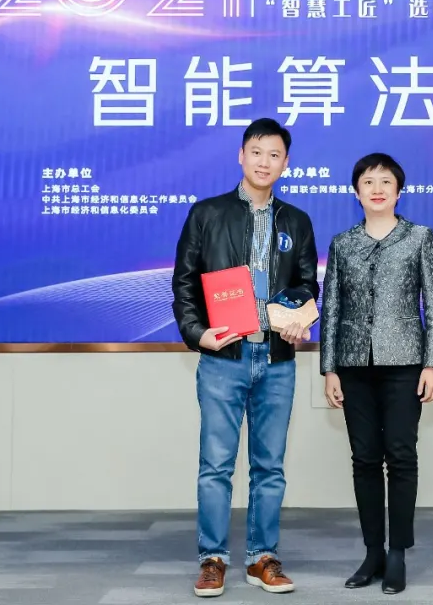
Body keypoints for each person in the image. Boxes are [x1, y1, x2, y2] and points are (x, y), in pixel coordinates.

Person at [171, 117, 319, 598]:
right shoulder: (207, 214)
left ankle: (261, 558)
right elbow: (184, 282)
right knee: (215, 464)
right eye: (256, 152)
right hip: (223, 358)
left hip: (276, 361)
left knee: (269, 466)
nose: (264, 162)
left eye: (274, 155)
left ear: (286, 163)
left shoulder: (296, 221)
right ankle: (212, 558)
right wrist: (198, 334)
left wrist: (296, 314)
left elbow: (306, 285)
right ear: (241, 155)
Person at [319, 152, 433, 595]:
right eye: (368, 182)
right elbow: (332, 309)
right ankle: (372, 551)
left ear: (398, 191)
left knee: (401, 455)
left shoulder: (419, 238)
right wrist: (329, 368)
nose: (377, 189)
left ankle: (398, 554)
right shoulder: (343, 244)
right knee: (364, 458)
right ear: (356, 192)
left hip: (406, 363)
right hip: (353, 365)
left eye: (386, 181)